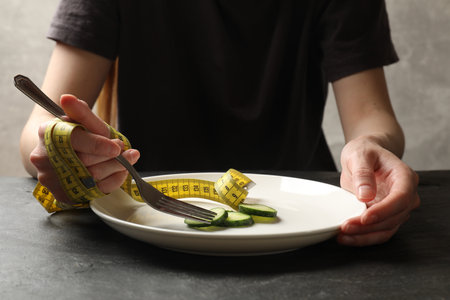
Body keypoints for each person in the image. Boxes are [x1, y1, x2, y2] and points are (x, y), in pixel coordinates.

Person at [20, 0, 420, 247]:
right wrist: (61, 148)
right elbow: (39, 127)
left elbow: (371, 116)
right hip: (135, 217)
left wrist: (371, 145)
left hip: (307, 220)